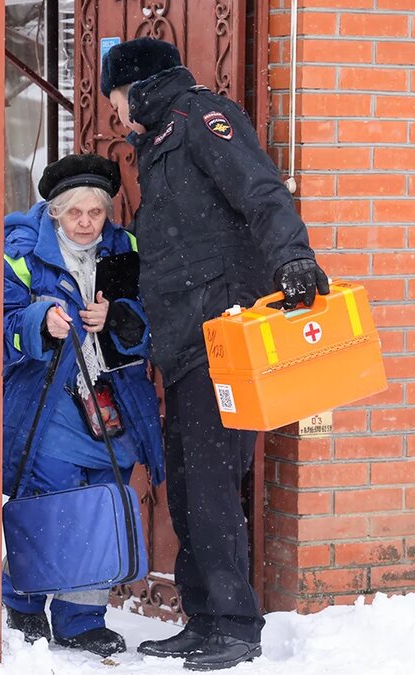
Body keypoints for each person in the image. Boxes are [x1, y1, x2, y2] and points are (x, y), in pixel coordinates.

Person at [100, 37, 331, 670]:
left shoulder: (203, 121)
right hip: (183, 337)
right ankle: (203, 616)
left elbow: (261, 191)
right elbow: (175, 238)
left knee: (210, 485)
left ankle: (234, 623)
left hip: (222, 329)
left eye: (116, 100)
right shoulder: (158, 145)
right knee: (187, 484)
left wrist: (292, 257)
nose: (116, 116)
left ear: (137, 88)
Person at [1, 153, 166, 658]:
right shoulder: (23, 253)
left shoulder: (124, 249)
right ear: (54, 212)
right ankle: (24, 601)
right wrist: (40, 320)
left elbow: (153, 318)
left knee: (101, 501)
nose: (87, 223)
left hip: (110, 402)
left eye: (96, 213)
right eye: (76, 214)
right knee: (53, 500)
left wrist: (119, 317)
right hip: (48, 403)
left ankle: (80, 618)